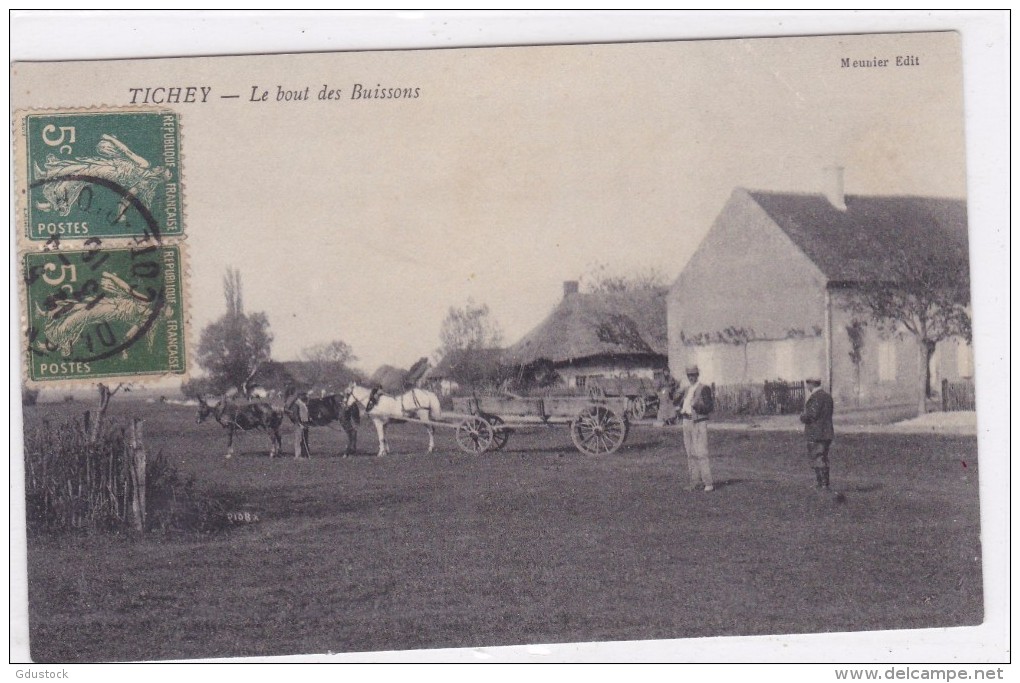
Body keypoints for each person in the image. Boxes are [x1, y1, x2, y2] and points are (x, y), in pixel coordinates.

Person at [675, 364, 715, 492]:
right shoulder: (686, 389)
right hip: (686, 421)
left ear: (697, 375)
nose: (691, 377)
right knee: (690, 453)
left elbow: (709, 408)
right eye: (689, 375)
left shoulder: (704, 388)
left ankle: (708, 483)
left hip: (698, 422)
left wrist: (697, 405)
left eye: (693, 375)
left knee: (701, 453)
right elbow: (677, 402)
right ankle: (695, 482)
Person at [800, 378, 835, 491]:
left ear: (811, 384)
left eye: (808, 385)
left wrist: (802, 417)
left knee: (817, 457)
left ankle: (823, 484)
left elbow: (811, 415)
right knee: (822, 457)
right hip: (827, 431)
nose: (807, 387)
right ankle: (823, 483)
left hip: (816, 433)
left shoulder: (816, 397)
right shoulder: (827, 396)